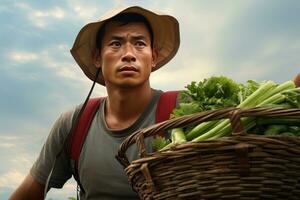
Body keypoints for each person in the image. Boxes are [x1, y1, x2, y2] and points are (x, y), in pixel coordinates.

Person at [9, 6, 180, 200]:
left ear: (154, 57)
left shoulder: (181, 111)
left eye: (140, 43)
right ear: (97, 57)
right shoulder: (75, 123)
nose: (129, 54)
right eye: (116, 44)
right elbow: (29, 192)